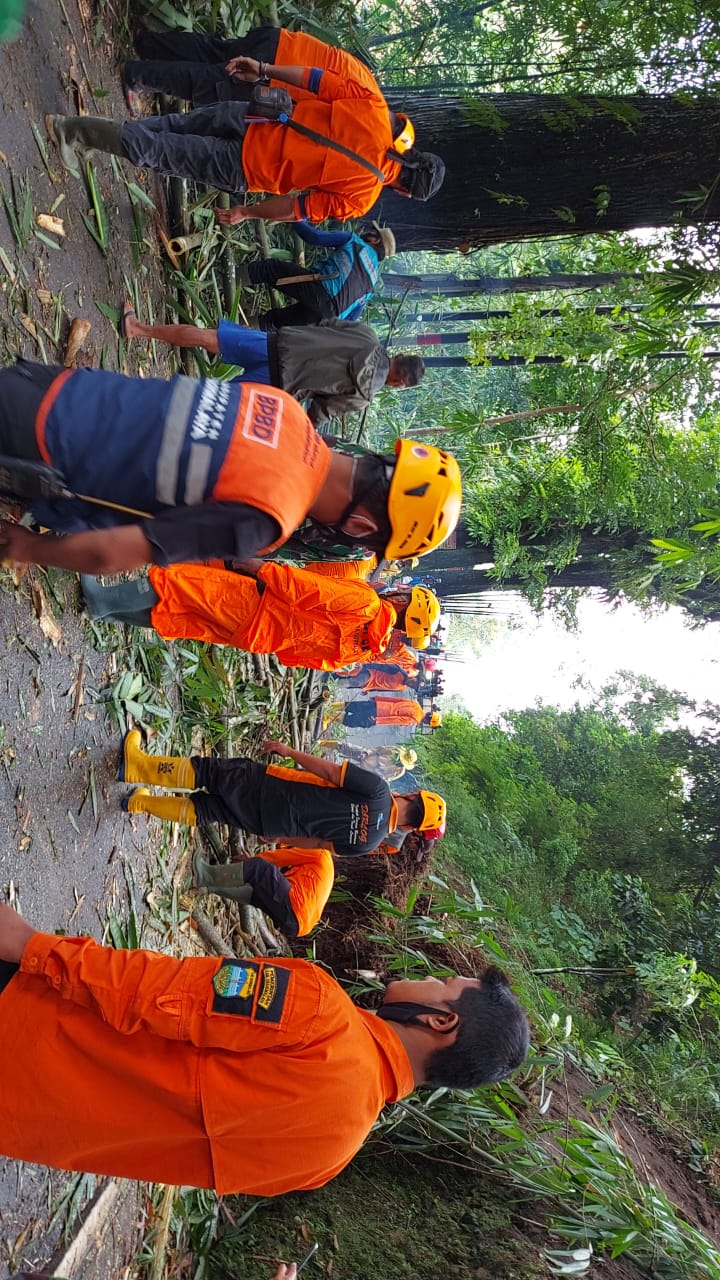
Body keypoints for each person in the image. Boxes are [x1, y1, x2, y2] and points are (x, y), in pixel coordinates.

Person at [0, 900, 530, 1191]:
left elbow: (160, 993)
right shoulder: (331, 1156)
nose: (430, 979)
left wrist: (32, 945)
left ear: (440, 1021)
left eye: (443, 984)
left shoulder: (322, 1013)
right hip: (22, 1120)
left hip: (27, 1018)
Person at [0, 360, 462, 573]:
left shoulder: (287, 409)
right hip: (35, 449)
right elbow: (109, 554)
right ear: (360, 528)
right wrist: (27, 548)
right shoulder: (268, 518)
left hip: (55, 384)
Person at [46, 34, 445, 225]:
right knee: (163, 152)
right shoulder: (362, 197)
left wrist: (265, 70)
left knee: (173, 126)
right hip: (250, 166)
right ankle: (72, 132)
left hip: (257, 114)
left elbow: (315, 78)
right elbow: (296, 208)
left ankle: (89, 135)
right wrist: (245, 212)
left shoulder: (375, 108)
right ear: (404, 191)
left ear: (412, 151)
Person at [119, 731, 446, 856]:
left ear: (412, 796)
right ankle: (140, 802)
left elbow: (330, 772)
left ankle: (138, 767)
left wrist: (290, 752)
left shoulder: (379, 791)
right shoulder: (369, 844)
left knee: (209, 772)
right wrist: (278, 839)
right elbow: (319, 844)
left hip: (274, 788)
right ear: (410, 828)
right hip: (272, 823)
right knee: (208, 811)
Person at [79, 562, 442, 669]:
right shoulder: (364, 651)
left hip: (257, 605)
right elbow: (300, 660)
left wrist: (261, 568)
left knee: (178, 584)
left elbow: (308, 588)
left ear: (402, 600)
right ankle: (110, 614)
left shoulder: (368, 605)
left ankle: (101, 599)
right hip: (259, 639)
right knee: (186, 618)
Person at [119, 311, 424, 426]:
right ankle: (133, 407)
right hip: (278, 384)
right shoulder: (362, 396)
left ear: (399, 355)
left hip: (278, 344)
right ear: (399, 383)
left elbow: (325, 322)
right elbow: (319, 412)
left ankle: (138, 328)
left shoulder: (367, 335)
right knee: (207, 400)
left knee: (208, 338)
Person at [238, 220, 395, 328]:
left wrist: (295, 218)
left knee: (267, 270)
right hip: (327, 319)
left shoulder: (355, 242)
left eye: (371, 232)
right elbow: (350, 319)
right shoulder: (371, 285)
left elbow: (314, 237)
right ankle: (234, 327)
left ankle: (228, 278)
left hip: (320, 289)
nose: (366, 232)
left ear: (375, 240)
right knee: (273, 323)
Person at [193, 844, 334, 940]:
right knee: (258, 894)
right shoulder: (324, 864)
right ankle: (210, 887)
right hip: (298, 927)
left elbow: (283, 857)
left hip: (297, 908)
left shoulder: (320, 852)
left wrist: (254, 860)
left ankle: (205, 875)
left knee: (259, 868)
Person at [328, 696, 441, 730]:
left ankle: (330, 706)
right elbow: (394, 720)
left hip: (380, 704)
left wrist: (378, 698)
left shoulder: (416, 705)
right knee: (352, 721)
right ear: (427, 721)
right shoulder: (414, 719)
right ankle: (328, 716)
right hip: (378, 714)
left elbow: (396, 700)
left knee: (354, 706)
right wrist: (377, 721)